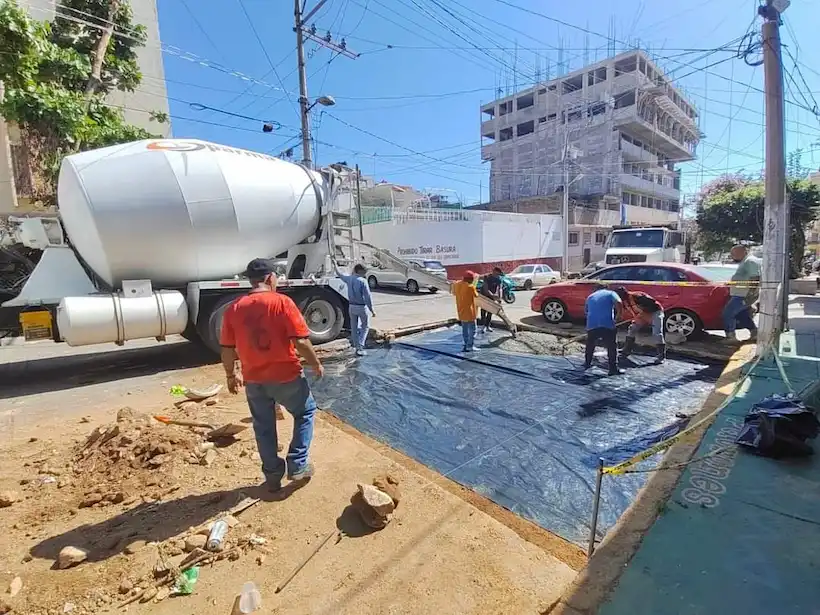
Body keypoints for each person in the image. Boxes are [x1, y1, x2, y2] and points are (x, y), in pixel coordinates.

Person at [220, 258, 324, 492]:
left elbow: (227, 349)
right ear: (269, 278)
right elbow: (301, 341)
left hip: (254, 379)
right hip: (286, 375)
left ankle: (273, 477)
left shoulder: (234, 308)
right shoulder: (282, 303)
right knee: (305, 411)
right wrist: (315, 364)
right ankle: (297, 464)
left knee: (264, 426)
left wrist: (230, 375)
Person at [615, 287, 666, 364]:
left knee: (657, 333)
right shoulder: (624, 301)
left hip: (655, 312)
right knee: (632, 329)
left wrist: (643, 313)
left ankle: (661, 356)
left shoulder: (638, 296)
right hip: (641, 315)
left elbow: (653, 304)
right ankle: (626, 350)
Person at [584, 285, 625, 376]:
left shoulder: (590, 296)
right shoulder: (611, 293)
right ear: (606, 288)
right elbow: (618, 302)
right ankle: (613, 369)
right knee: (611, 346)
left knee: (590, 344)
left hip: (592, 324)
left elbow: (586, 311)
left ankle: (587, 363)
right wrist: (619, 315)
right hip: (607, 323)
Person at [723, 245, 760, 344]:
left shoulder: (750, 261)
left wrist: (751, 294)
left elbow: (755, 278)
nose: (732, 256)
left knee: (728, 313)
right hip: (741, 293)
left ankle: (730, 337)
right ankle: (754, 332)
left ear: (742, 252)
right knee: (742, 315)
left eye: (734, 254)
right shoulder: (746, 261)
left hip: (743, 295)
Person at [337, 263, 376, 356]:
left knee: (353, 326)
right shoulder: (363, 281)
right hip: (361, 307)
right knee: (365, 326)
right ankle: (360, 347)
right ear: (361, 271)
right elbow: (367, 297)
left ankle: (355, 345)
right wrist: (372, 310)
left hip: (351, 306)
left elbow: (339, 274)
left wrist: (335, 265)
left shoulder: (349, 279)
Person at [453, 271, 479, 352]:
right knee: (473, 330)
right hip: (470, 312)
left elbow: (454, 292)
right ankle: (470, 346)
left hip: (461, 311)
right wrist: (474, 284)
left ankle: (466, 343)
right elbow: (476, 295)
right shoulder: (470, 287)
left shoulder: (457, 285)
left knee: (465, 329)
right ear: (470, 279)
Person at [478, 267, 503, 333]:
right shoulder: (487, 277)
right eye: (497, 274)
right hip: (484, 296)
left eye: (499, 275)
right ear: (493, 271)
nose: (497, 276)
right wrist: (493, 296)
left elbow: (500, 288)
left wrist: (499, 297)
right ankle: (483, 326)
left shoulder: (499, 279)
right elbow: (486, 289)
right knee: (483, 311)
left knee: (490, 311)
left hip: (492, 296)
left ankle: (488, 326)